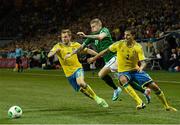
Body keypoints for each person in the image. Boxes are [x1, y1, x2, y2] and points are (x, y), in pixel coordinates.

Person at [89, 29, 177, 111]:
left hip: (135, 71)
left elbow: (143, 62)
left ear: (133, 36)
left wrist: (141, 68)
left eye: (128, 35)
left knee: (155, 87)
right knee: (122, 79)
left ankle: (166, 106)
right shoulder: (119, 44)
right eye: (125, 35)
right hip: (123, 71)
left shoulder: (137, 47)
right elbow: (105, 51)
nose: (125, 37)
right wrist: (94, 58)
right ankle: (140, 102)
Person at [65, 18, 150, 103]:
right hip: (109, 61)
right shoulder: (92, 37)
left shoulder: (104, 30)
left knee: (102, 74)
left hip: (115, 57)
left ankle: (118, 89)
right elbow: (81, 47)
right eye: (91, 27)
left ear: (99, 25)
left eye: (94, 27)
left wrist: (85, 36)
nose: (92, 29)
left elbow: (100, 37)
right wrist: (71, 54)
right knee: (124, 80)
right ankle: (144, 91)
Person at [48, 29, 108, 108]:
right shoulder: (58, 46)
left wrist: (98, 55)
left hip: (77, 68)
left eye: (66, 37)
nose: (64, 39)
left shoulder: (75, 45)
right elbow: (49, 55)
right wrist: (55, 51)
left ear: (70, 37)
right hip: (68, 74)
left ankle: (97, 98)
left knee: (81, 83)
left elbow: (87, 50)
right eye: (62, 37)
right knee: (82, 90)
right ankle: (96, 98)